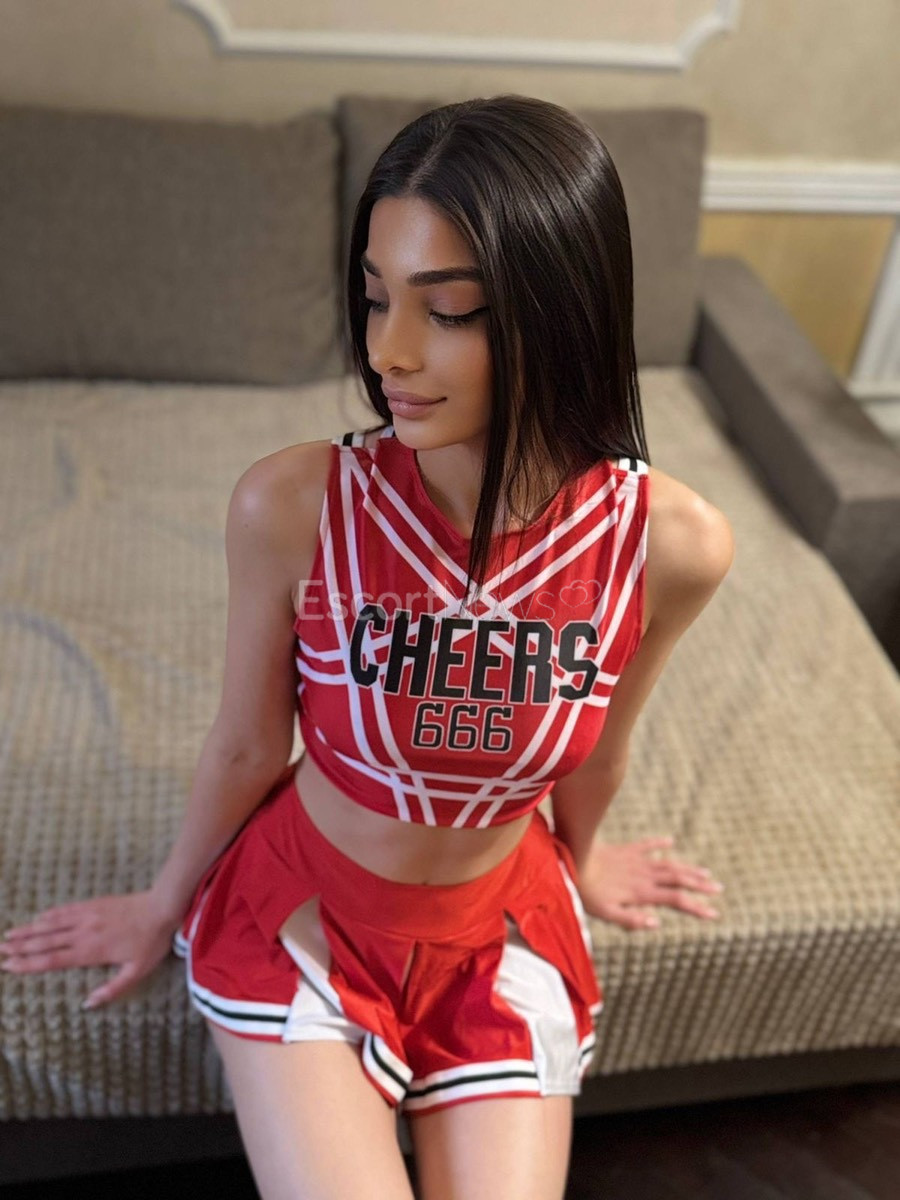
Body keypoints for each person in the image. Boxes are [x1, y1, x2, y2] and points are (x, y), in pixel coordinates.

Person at [0, 94, 734, 1200]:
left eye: (450, 311)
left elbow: (602, 743)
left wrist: (585, 862)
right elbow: (248, 745)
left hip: (496, 928)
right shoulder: (296, 505)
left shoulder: (669, 544)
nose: (388, 353)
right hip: (305, 918)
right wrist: (161, 901)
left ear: (562, 310)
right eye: (377, 297)